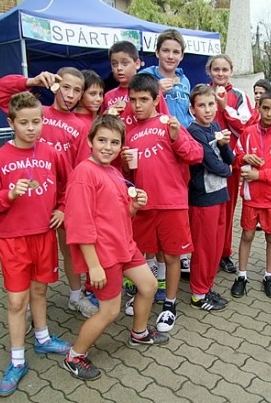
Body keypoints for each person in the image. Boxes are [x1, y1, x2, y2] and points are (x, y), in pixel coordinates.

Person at [0, 92, 73, 396]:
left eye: (36, 122)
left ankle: (43, 339)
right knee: (17, 301)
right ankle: (17, 360)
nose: (31, 128)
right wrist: (8, 195)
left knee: (40, 291)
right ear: (11, 123)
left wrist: (62, 208)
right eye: (24, 123)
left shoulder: (51, 153)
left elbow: (67, 184)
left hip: (44, 234)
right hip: (13, 239)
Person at [63, 115, 169, 381]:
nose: (108, 147)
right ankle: (74, 356)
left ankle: (139, 333)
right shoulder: (84, 174)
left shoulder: (113, 171)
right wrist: (94, 265)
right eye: (102, 140)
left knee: (149, 285)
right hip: (104, 254)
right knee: (109, 311)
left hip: (125, 246)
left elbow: (120, 214)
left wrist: (134, 206)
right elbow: (80, 224)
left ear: (122, 146)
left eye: (114, 142)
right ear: (90, 141)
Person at [0, 69, 97, 319]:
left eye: (77, 90)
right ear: (55, 85)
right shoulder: (37, 113)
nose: (70, 95)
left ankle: (76, 296)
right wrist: (31, 81)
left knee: (71, 248)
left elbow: (79, 170)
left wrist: (65, 206)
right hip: (28, 201)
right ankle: (27, 306)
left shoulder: (80, 126)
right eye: (66, 87)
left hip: (61, 199)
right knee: (28, 253)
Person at [121, 73, 203, 332]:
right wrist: (125, 165)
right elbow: (128, 175)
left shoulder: (169, 123)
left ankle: (170, 304)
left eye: (143, 99)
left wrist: (177, 136)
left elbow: (196, 155)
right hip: (143, 205)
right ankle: (143, 294)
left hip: (171, 203)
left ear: (156, 100)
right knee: (142, 253)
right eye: (133, 100)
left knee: (171, 255)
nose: (137, 105)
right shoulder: (130, 132)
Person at [102, 41, 171, 300]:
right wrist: (110, 115)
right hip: (119, 171)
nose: (119, 68)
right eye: (114, 64)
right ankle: (134, 273)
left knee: (153, 226)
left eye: (125, 63)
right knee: (129, 226)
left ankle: (157, 276)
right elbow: (102, 130)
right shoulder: (109, 97)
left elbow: (163, 123)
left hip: (148, 170)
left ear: (138, 63)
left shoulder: (151, 89)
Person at [141, 29, 194, 284]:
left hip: (180, 147)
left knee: (177, 200)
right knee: (153, 206)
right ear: (157, 52)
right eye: (166, 51)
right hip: (155, 147)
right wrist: (157, 90)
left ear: (182, 56)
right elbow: (138, 103)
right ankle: (151, 265)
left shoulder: (185, 80)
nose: (170, 56)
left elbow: (187, 113)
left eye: (176, 52)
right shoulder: (147, 76)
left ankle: (178, 252)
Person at [232, 91, 271, 298]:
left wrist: (259, 175)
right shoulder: (248, 133)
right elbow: (235, 157)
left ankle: (269, 276)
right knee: (247, 235)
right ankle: (241, 276)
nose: (269, 113)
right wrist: (244, 158)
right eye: (265, 108)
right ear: (258, 107)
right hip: (251, 197)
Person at [187, 84, 234, 311]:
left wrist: (224, 147)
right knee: (204, 248)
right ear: (192, 109)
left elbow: (229, 157)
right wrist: (229, 171)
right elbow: (211, 163)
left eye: (211, 104)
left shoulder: (215, 125)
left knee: (215, 246)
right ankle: (198, 294)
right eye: (201, 105)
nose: (207, 110)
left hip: (219, 194)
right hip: (203, 198)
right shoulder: (194, 131)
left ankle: (206, 286)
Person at [206, 54, 253, 274]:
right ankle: (204, 252)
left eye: (224, 69)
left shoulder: (239, 95)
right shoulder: (202, 92)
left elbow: (245, 128)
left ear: (231, 71)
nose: (220, 73)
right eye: (216, 69)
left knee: (226, 210)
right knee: (205, 211)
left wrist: (225, 107)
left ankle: (224, 253)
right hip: (205, 161)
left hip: (229, 163)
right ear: (209, 71)